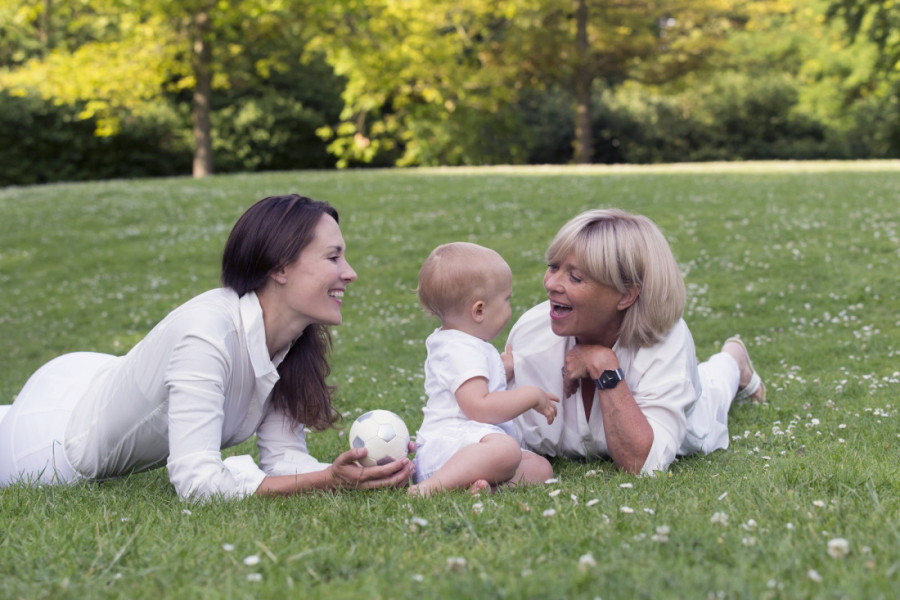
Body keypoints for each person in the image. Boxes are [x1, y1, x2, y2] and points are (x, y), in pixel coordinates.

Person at [0, 194, 414, 500]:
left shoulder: (289, 342)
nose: (351, 273)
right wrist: (325, 481)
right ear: (279, 268)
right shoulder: (206, 335)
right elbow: (197, 484)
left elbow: (285, 460)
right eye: (333, 258)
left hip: (95, 380)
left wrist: (359, 470)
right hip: (52, 440)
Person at [506, 209, 766, 476]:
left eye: (575, 277)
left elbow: (641, 465)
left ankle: (734, 359)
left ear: (626, 295)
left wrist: (603, 365)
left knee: (714, 388)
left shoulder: (667, 342)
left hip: (689, 408)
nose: (551, 284)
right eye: (553, 267)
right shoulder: (531, 332)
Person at [409, 242, 559, 496]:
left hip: (470, 447)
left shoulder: (462, 344)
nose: (510, 307)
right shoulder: (460, 350)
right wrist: (531, 395)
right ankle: (429, 488)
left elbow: (475, 380)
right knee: (506, 450)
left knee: (540, 468)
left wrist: (502, 370)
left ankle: (483, 487)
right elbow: (478, 407)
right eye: (506, 299)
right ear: (479, 310)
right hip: (449, 449)